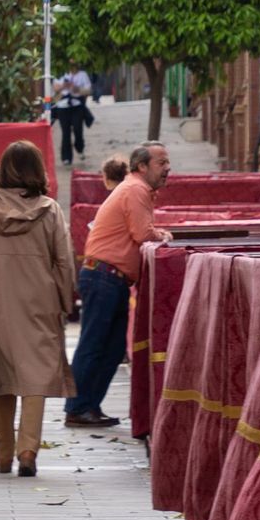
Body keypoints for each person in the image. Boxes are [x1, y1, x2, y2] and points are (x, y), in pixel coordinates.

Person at [0, 140, 76, 477]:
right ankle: (28, 451)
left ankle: (3, 454)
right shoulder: (50, 209)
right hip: (40, 303)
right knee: (34, 377)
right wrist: (64, 301)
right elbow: (65, 261)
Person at [66, 141, 173, 428]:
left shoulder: (136, 188)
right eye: (161, 162)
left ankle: (88, 406)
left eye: (167, 162)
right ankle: (77, 407)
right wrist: (163, 235)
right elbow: (142, 234)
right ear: (142, 166)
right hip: (104, 276)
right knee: (94, 344)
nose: (167, 168)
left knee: (112, 348)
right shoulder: (136, 189)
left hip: (109, 277)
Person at [53, 65, 92, 165]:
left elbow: (88, 90)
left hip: (77, 106)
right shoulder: (61, 73)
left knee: (78, 129)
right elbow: (55, 88)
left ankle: (79, 148)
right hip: (62, 106)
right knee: (65, 132)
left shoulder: (83, 75)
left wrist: (77, 89)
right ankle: (66, 157)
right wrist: (64, 86)